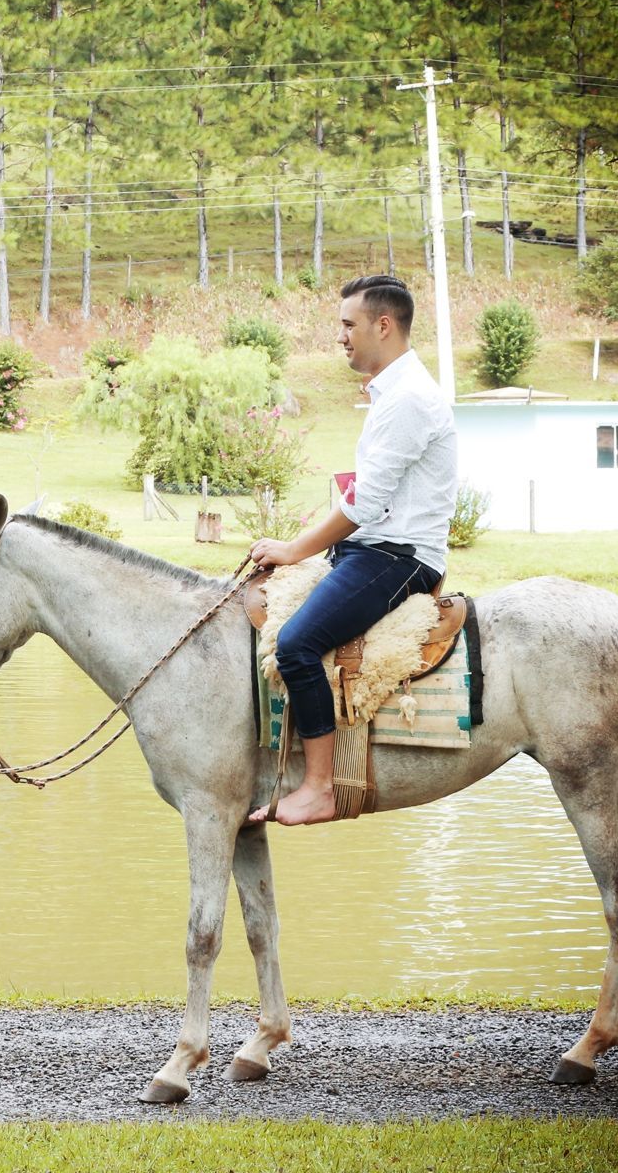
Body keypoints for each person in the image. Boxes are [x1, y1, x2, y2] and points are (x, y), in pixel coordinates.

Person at [246, 275, 457, 826]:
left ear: (382, 326)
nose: (340, 337)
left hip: (396, 555)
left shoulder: (408, 400)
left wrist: (294, 549)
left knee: (295, 644)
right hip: (375, 548)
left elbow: (364, 505)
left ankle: (320, 788)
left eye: (348, 325)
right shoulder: (393, 394)